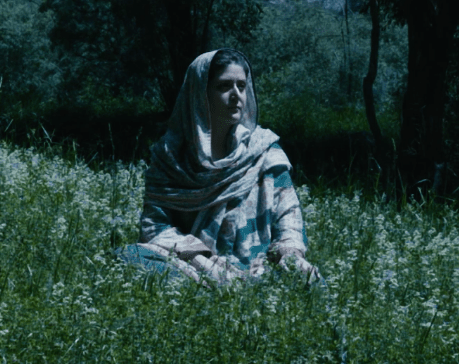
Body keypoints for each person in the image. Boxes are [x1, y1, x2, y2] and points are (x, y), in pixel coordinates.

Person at [120, 49, 319, 285]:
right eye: (224, 86)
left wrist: (290, 255)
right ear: (200, 93)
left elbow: (289, 217)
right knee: (129, 256)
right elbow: (154, 226)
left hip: (256, 268)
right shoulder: (170, 157)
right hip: (195, 265)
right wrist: (199, 258)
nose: (236, 95)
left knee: (310, 279)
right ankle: (215, 289)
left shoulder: (264, 151)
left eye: (242, 86)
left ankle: (245, 288)